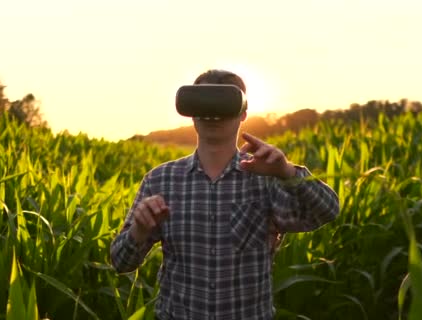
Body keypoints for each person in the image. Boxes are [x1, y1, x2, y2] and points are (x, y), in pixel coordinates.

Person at [110, 69, 340, 320]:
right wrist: (139, 231)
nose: (213, 113)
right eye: (204, 102)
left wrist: (286, 171)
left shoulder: (266, 177)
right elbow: (121, 263)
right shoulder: (161, 180)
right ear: (191, 111)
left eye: (223, 103)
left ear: (243, 113)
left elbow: (328, 211)